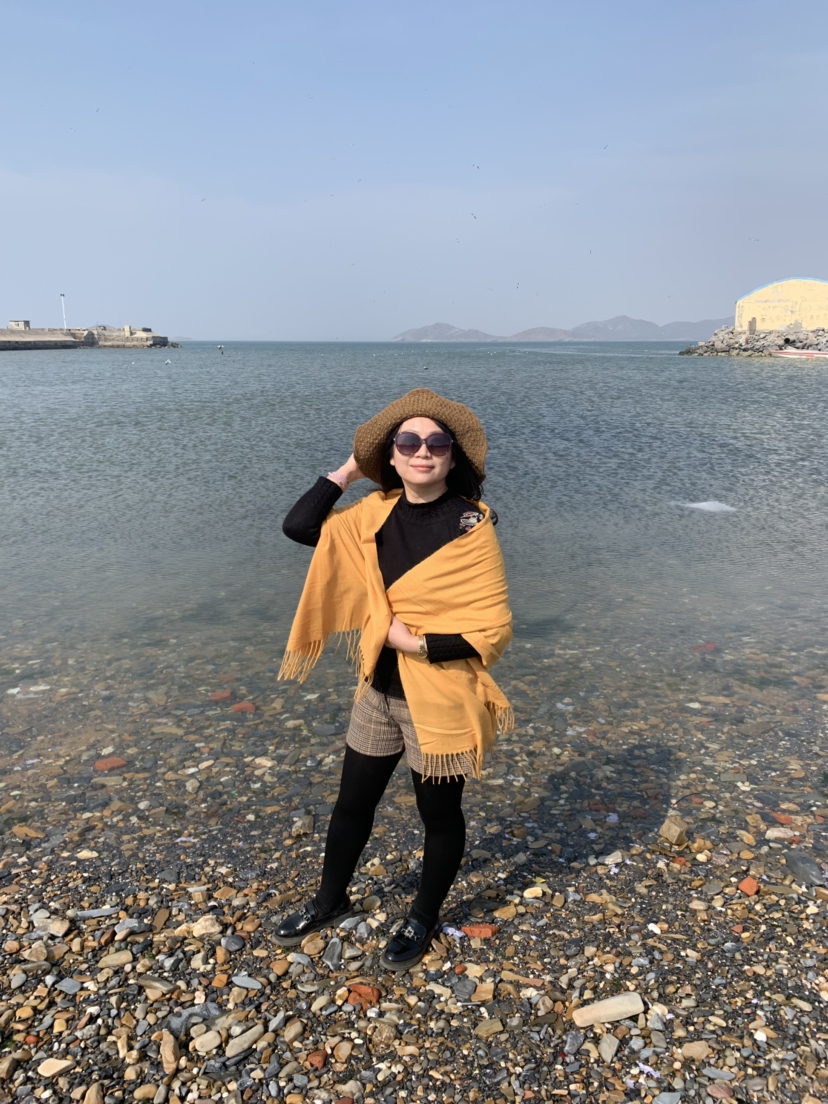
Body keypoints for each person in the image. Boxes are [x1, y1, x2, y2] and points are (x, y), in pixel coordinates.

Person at [274, 388, 512, 970]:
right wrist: (349, 470)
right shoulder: (371, 516)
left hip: (441, 694)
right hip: (377, 691)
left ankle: (422, 916)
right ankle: (330, 900)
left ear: (453, 457)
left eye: (436, 443)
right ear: (392, 455)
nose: (422, 451)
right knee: (352, 804)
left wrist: (414, 642)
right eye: (407, 442)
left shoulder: (471, 525)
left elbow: (493, 630)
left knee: (439, 816)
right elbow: (299, 526)